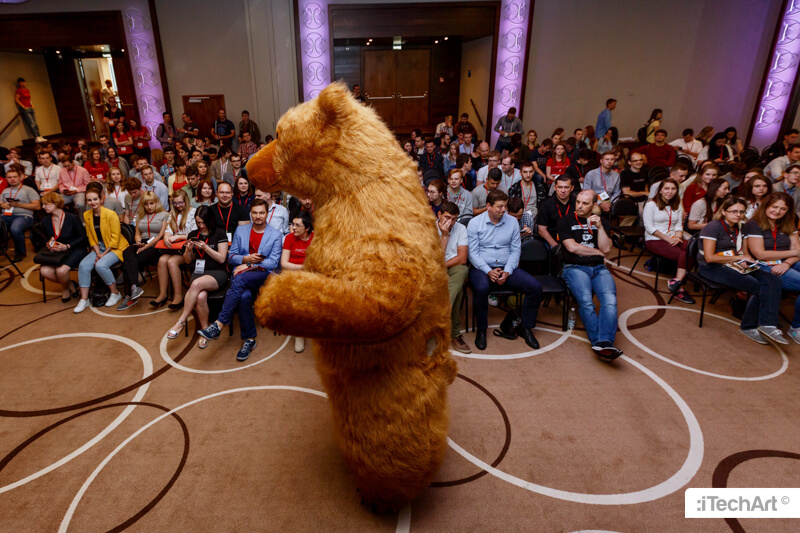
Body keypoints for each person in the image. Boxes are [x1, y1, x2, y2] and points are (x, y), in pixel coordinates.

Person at [198, 199, 282, 360]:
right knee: (243, 297)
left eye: (261, 213)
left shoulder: (276, 234)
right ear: (250, 213)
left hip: (264, 276)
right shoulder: (241, 230)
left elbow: (272, 262)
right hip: (242, 276)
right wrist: (247, 259)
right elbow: (231, 257)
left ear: (267, 214)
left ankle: (219, 323)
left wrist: (247, 264)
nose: (258, 216)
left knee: (240, 279)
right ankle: (249, 339)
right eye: (255, 213)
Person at [698, 196, 786, 345]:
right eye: (733, 211)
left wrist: (746, 260)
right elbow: (709, 258)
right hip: (713, 267)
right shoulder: (714, 226)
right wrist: (737, 260)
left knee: (773, 279)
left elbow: (744, 253)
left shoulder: (741, 226)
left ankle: (767, 325)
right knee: (758, 286)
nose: (737, 215)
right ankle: (748, 326)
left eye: (741, 212)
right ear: (724, 211)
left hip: (735, 263)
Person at [467, 190, 543, 351]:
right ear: (488, 206)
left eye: (505, 206)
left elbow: (516, 250)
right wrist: (489, 271)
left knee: (535, 287)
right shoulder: (475, 223)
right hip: (482, 268)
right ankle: (481, 330)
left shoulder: (512, 222)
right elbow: (472, 253)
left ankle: (526, 327)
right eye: (499, 207)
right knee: (481, 288)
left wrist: (507, 271)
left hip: (506, 266)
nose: (503, 210)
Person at [557, 190, 622, 360]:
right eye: (578, 202)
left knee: (610, 301)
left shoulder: (602, 222)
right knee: (586, 301)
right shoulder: (565, 221)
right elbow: (572, 247)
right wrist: (597, 252)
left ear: (594, 206)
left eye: (585, 203)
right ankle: (600, 342)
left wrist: (599, 227)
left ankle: (604, 343)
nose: (579, 206)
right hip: (574, 267)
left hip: (599, 269)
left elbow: (607, 249)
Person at [166, 206, 230, 348]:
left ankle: (181, 321)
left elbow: (221, 258)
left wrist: (206, 248)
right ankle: (205, 329)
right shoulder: (193, 234)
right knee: (200, 297)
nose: (201, 226)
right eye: (198, 222)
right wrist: (188, 250)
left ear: (210, 220)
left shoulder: (219, 233)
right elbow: (188, 261)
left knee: (195, 285)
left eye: (203, 222)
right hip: (199, 271)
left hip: (217, 272)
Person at [744, 192, 800, 344]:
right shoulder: (753, 224)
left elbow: (798, 251)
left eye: (783, 209)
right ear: (766, 206)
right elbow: (760, 254)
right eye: (774, 207)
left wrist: (787, 262)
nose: (777, 211)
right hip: (761, 265)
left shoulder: (788, 223)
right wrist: (793, 252)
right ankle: (797, 327)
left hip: (785, 261)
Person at [74, 188, 128, 313]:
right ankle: (84, 299)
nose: (93, 202)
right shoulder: (87, 215)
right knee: (83, 266)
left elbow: (115, 239)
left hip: (116, 247)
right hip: (100, 247)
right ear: (86, 202)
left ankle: (115, 293)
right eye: (89, 200)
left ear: (101, 199)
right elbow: (91, 237)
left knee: (100, 265)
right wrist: (98, 253)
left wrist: (102, 255)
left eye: (95, 199)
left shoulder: (110, 214)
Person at [642, 178, 695, 303]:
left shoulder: (677, 203)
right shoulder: (651, 205)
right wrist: (668, 239)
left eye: (673, 189)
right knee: (683, 255)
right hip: (654, 239)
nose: (670, 191)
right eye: (666, 188)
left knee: (692, 248)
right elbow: (649, 228)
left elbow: (678, 225)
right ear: (660, 190)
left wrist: (678, 236)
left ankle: (676, 281)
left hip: (673, 237)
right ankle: (679, 289)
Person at [117, 192, 168, 310]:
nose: (149, 206)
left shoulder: (164, 214)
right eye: (146, 204)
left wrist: (145, 247)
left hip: (156, 245)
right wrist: (139, 243)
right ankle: (135, 287)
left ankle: (130, 296)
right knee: (127, 252)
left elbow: (160, 235)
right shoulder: (140, 215)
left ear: (156, 203)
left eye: (152, 203)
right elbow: (137, 234)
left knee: (128, 264)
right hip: (142, 243)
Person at [37, 192, 88, 302]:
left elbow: (83, 237)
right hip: (57, 251)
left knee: (61, 271)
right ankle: (70, 284)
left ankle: (65, 289)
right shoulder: (46, 220)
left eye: (46, 204)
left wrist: (67, 246)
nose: (43, 207)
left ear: (55, 203)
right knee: (45, 271)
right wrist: (49, 244)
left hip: (75, 248)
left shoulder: (72, 218)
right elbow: (49, 238)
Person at [434, 202, 470, 353]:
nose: (451, 222)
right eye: (447, 217)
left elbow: (462, 258)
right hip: (433, 269)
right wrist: (445, 235)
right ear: (439, 215)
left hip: (452, 267)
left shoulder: (461, 228)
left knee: (462, 270)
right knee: (459, 292)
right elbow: (435, 259)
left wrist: (443, 266)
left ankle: (438, 322)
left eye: (454, 219)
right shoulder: (428, 227)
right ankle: (455, 334)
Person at [280, 210, 315, 352]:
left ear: (307, 228)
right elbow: (284, 263)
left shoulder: (316, 238)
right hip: (293, 274)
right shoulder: (289, 238)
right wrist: (303, 267)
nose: (293, 228)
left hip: (311, 275)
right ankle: (299, 333)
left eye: (297, 225)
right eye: (292, 224)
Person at [0, 167, 40, 261]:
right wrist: (2, 204)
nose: (12, 179)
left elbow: (37, 206)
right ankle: (2, 247)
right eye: (9, 177)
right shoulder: (5, 191)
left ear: (20, 177)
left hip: (24, 216)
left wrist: (19, 205)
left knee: (15, 228)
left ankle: (20, 253)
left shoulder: (29, 190)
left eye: (14, 177)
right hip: (5, 215)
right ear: (6, 179)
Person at [536, 174, 575, 247]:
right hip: (553, 241)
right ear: (555, 187)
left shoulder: (577, 203)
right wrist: (556, 246)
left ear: (572, 188)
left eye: (566, 187)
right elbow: (541, 230)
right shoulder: (546, 204)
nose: (563, 191)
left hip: (574, 241)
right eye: (560, 187)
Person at [15, 78, 46, 142]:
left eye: (23, 82)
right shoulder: (19, 90)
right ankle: (36, 137)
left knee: (35, 123)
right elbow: (17, 99)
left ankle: (39, 136)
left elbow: (29, 99)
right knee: (31, 123)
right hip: (25, 108)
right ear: (19, 83)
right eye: (21, 82)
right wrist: (23, 106)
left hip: (30, 107)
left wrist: (32, 105)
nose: (23, 83)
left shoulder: (27, 90)